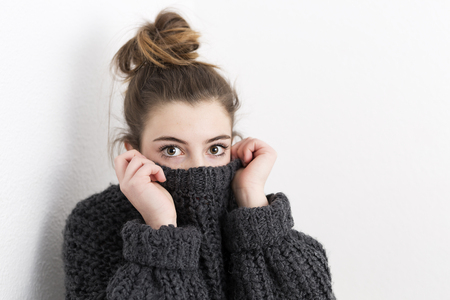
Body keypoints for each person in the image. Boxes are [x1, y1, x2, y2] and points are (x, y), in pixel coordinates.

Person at [62, 9, 335, 300]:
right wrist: (160, 228)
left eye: (215, 149)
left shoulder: (252, 212)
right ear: (135, 152)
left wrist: (254, 208)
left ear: (233, 145)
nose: (199, 168)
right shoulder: (94, 226)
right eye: (172, 150)